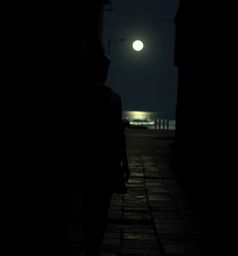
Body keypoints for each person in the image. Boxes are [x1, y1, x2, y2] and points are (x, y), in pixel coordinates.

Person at [81, 43, 130, 256]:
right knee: (102, 207)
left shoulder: (81, 98)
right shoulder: (114, 98)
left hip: (87, 158)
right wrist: (124, 162)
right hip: (107, 160)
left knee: (87, 203)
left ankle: (89, 244)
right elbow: (118, 133)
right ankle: (95, 246)